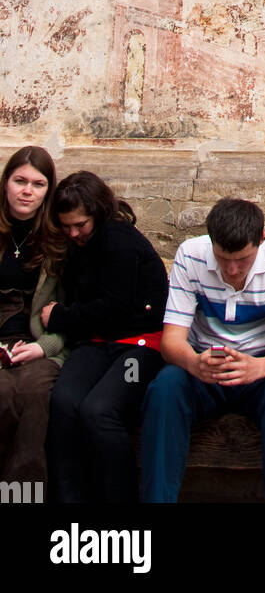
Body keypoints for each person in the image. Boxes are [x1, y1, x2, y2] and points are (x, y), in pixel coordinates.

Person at [140, 196, 265, 504]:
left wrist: (258, 367)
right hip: (204, 363)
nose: (232, 270)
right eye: (222, 259)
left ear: (261, 239)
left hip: (263, 368)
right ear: (210, 241)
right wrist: (193, 363)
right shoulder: (190, 255)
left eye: (242, 260)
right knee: (165, 388)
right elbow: (171, 342)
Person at [45, 171, 168, 503]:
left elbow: (114, 308)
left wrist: (59, 317)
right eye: (66, 226)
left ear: (97, 213)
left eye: (80, 225)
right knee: (64, 401)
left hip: (141, 344)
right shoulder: (77, 247)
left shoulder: (119, 240)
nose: (73, 233)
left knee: (99, 410)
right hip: (97, 342)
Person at [0, 146, 65, 491]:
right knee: (2, 394)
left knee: (37, 395)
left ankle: (21, 497)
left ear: (48, 191)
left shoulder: (58, 240)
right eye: (19, 181)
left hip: (38, 345)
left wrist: (45, 347)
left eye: (38, 184)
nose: (27, 191)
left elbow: (72, 312)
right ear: (5, 184)